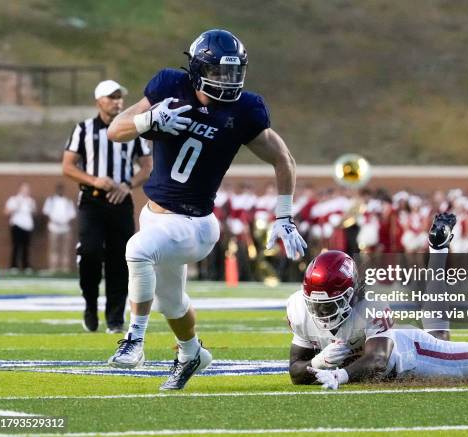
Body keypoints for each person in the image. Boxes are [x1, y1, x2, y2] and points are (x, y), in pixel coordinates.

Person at [104, 29, 307, 391]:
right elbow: (115, 131)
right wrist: (147, 122)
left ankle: (134, 341)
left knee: (136, 250)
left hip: (195, 224)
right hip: (154, 216)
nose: (227, 82)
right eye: (218, 73)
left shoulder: (245, 109)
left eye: (233, 73)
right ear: (197, 69)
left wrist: (284, 215)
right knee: (172, 303)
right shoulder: (169, 84)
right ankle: (191, 352)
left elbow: (283, 158)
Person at [287, 214, 468, 389]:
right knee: (440, 336)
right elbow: (295, 371)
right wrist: (316, 363)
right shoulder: (300, 309)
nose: (320, 311)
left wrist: (339, 374)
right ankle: (438, 248)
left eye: (330, 304)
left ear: (352, 295)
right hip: (404, 357)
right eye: (316, 304)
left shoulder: (371, 309)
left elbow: (377, 359)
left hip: (410, 354)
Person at [62, 80, 153, 334]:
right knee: (90, 253)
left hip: (120, 202)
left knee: (120, 259)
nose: (118, 102)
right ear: (99, 101)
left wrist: (127, 185)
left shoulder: (132, 130)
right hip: (92, 200)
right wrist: (94, 180)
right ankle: (90, 304)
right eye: (111, 97)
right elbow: (68, 166)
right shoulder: (84, 129)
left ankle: (114, 318)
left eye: (119, 97)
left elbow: (147, 166)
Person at [42, 183, 76, 273]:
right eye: (59, 190)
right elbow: (46, 212)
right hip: (53, 227)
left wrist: (65, 221)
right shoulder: (51, 200)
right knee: (53, 249)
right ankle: (53, 268)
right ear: (56, 190)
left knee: (65, 249)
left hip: (66, 228)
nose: (60, 191)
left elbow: (72, 214)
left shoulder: (68, 201)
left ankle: (65, 268)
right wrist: (55, 220)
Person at [4, 183, 36, 272]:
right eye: (24, 189)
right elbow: (6, 212)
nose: (26, 191)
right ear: (20, 190)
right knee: (16, 246)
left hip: (27, 227)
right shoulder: (14, 199)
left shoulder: (31, 201)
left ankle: (25, 265)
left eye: (28, 189)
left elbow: (33, 212)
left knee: (26, 246)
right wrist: (16, 206)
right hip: (17, 225)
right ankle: (14, 265)